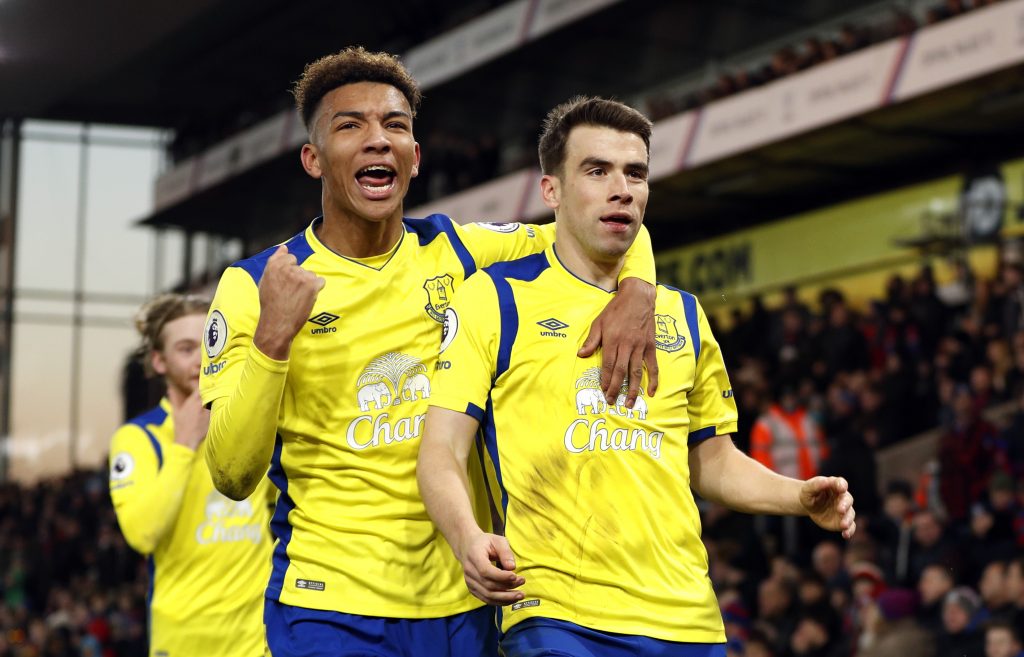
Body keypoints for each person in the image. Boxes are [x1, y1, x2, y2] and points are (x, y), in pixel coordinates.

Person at [200, 48, 659, 657]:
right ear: (313, 159)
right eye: (350, 126)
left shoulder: (462, 252)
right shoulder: (258, 284)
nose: (377, 141)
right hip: (330, 606)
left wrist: (638, 292)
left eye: (396, 126)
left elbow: (602, 224)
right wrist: (272, 342)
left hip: (464, 599)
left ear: (415, 158)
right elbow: (231, 474)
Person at [417, 96, 856, 657]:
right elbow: (442, 450)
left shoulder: (685, 315)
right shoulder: (495, 299)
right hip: (554, 614)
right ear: (551, 191)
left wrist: (799, 497)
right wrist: (467, 537)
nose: (621, 188)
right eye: (596, 171)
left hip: (687, 619)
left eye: (636, 173)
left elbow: (712, 460)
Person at [108, 294, 274, 657]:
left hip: (256, 637)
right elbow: (143, 533)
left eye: (208, 343)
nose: (201, 358)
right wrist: (184, 444)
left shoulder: (252, 427)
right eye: (185, 349)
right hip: (183, 639)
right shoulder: (139, 438)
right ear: (159, 361)